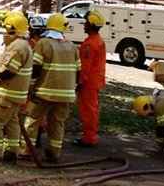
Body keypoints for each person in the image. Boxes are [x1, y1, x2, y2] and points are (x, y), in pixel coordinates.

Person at [23, 13, 81, 163]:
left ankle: (26, 150)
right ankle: (54, 153)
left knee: (32, 120)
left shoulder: (43, 43)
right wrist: (73, 89)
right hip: (66, 94)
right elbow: (78, 72)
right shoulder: (72, 46)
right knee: (57, 123)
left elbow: (35, 69)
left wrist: (30, 88)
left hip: (44, 92)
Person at [0, 11, 33, 163]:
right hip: (17, 94)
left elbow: (8, 71)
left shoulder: (17, 47)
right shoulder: (24, 45)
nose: (4, 32)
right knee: (12, 123)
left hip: (6, 93)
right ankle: (12, 152)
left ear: (12, 28)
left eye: (6, 28)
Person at [74, 10, 107, 147]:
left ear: (92, 25)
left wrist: (79, 82)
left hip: (88, 82)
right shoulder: (97, 41)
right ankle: (90, 136)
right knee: (91, 109)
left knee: (88, 110)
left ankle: (89, 138)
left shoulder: (90, 44)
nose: (84, 25)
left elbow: (85, 67)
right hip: (95, 80)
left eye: (86, 23)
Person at [132, 90, 164, 156]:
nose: (152, 116)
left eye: (150, 114)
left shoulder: (159, 108)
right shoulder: (161, 98)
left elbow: (162, 128)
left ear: (147, 107)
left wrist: (160, 144)